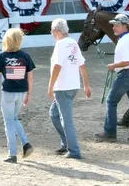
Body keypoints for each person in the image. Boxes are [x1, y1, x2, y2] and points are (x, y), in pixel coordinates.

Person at [0, 28, 35, 163]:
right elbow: (31, 77)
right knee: (14, 118)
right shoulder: (25, 56)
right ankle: (26, 143)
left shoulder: (2, 56)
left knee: (8, 122)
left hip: (8, 92)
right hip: (22, 92)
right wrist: (29, 94)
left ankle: (12, 153)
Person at [49, 18, 91, 159]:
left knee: (66, 120)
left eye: (52, 32)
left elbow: (57, 66)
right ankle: (66, 143)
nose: (52, 34)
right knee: (54, 114)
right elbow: (82, 65)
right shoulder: (73, 43)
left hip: (62, 87)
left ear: (57, 31)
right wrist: (86, 85)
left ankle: (74, 150)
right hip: (72, 86)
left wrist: (50, 86)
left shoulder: (60, 44)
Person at [95, 14, 129, 143]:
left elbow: (128, 61)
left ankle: (109, 132)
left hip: (126, 74)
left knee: (111, 101)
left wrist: (113, 65)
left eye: (116, 25)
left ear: (125, 26)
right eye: (113, 25)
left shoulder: (124, 41)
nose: (114, 27)